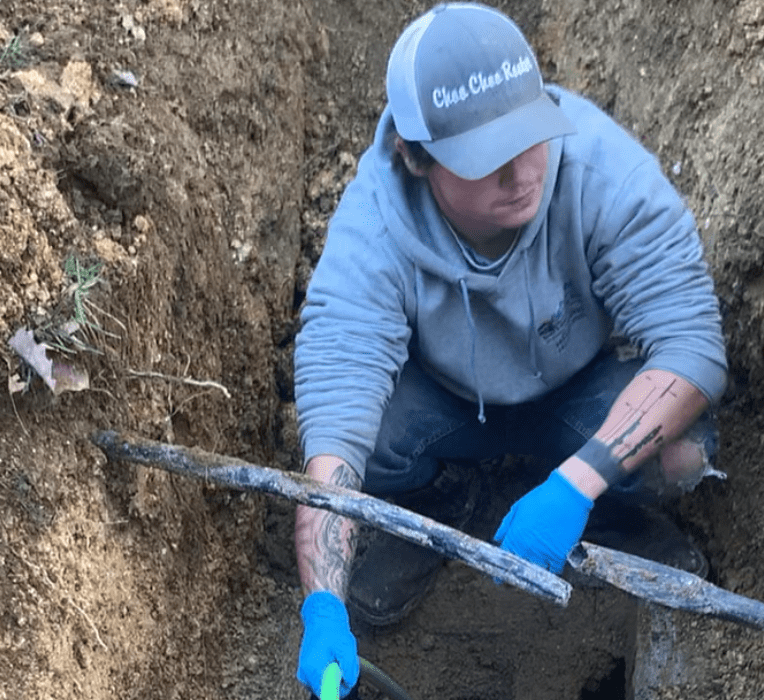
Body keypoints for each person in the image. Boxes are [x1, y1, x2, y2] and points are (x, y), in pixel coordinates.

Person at [292, 3, 728, 697]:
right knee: (372, 445)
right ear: (414, 156)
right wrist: (322, 605)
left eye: (528, 139)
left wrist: (575, 485)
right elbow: (333, 443)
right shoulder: (371, 230)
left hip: (574, 388)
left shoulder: (598, 168)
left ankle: (599, 517)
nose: (521, 172)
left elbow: (692, 344)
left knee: (680, 455)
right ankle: (429, 510)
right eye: (483, 160)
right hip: (448, 402)